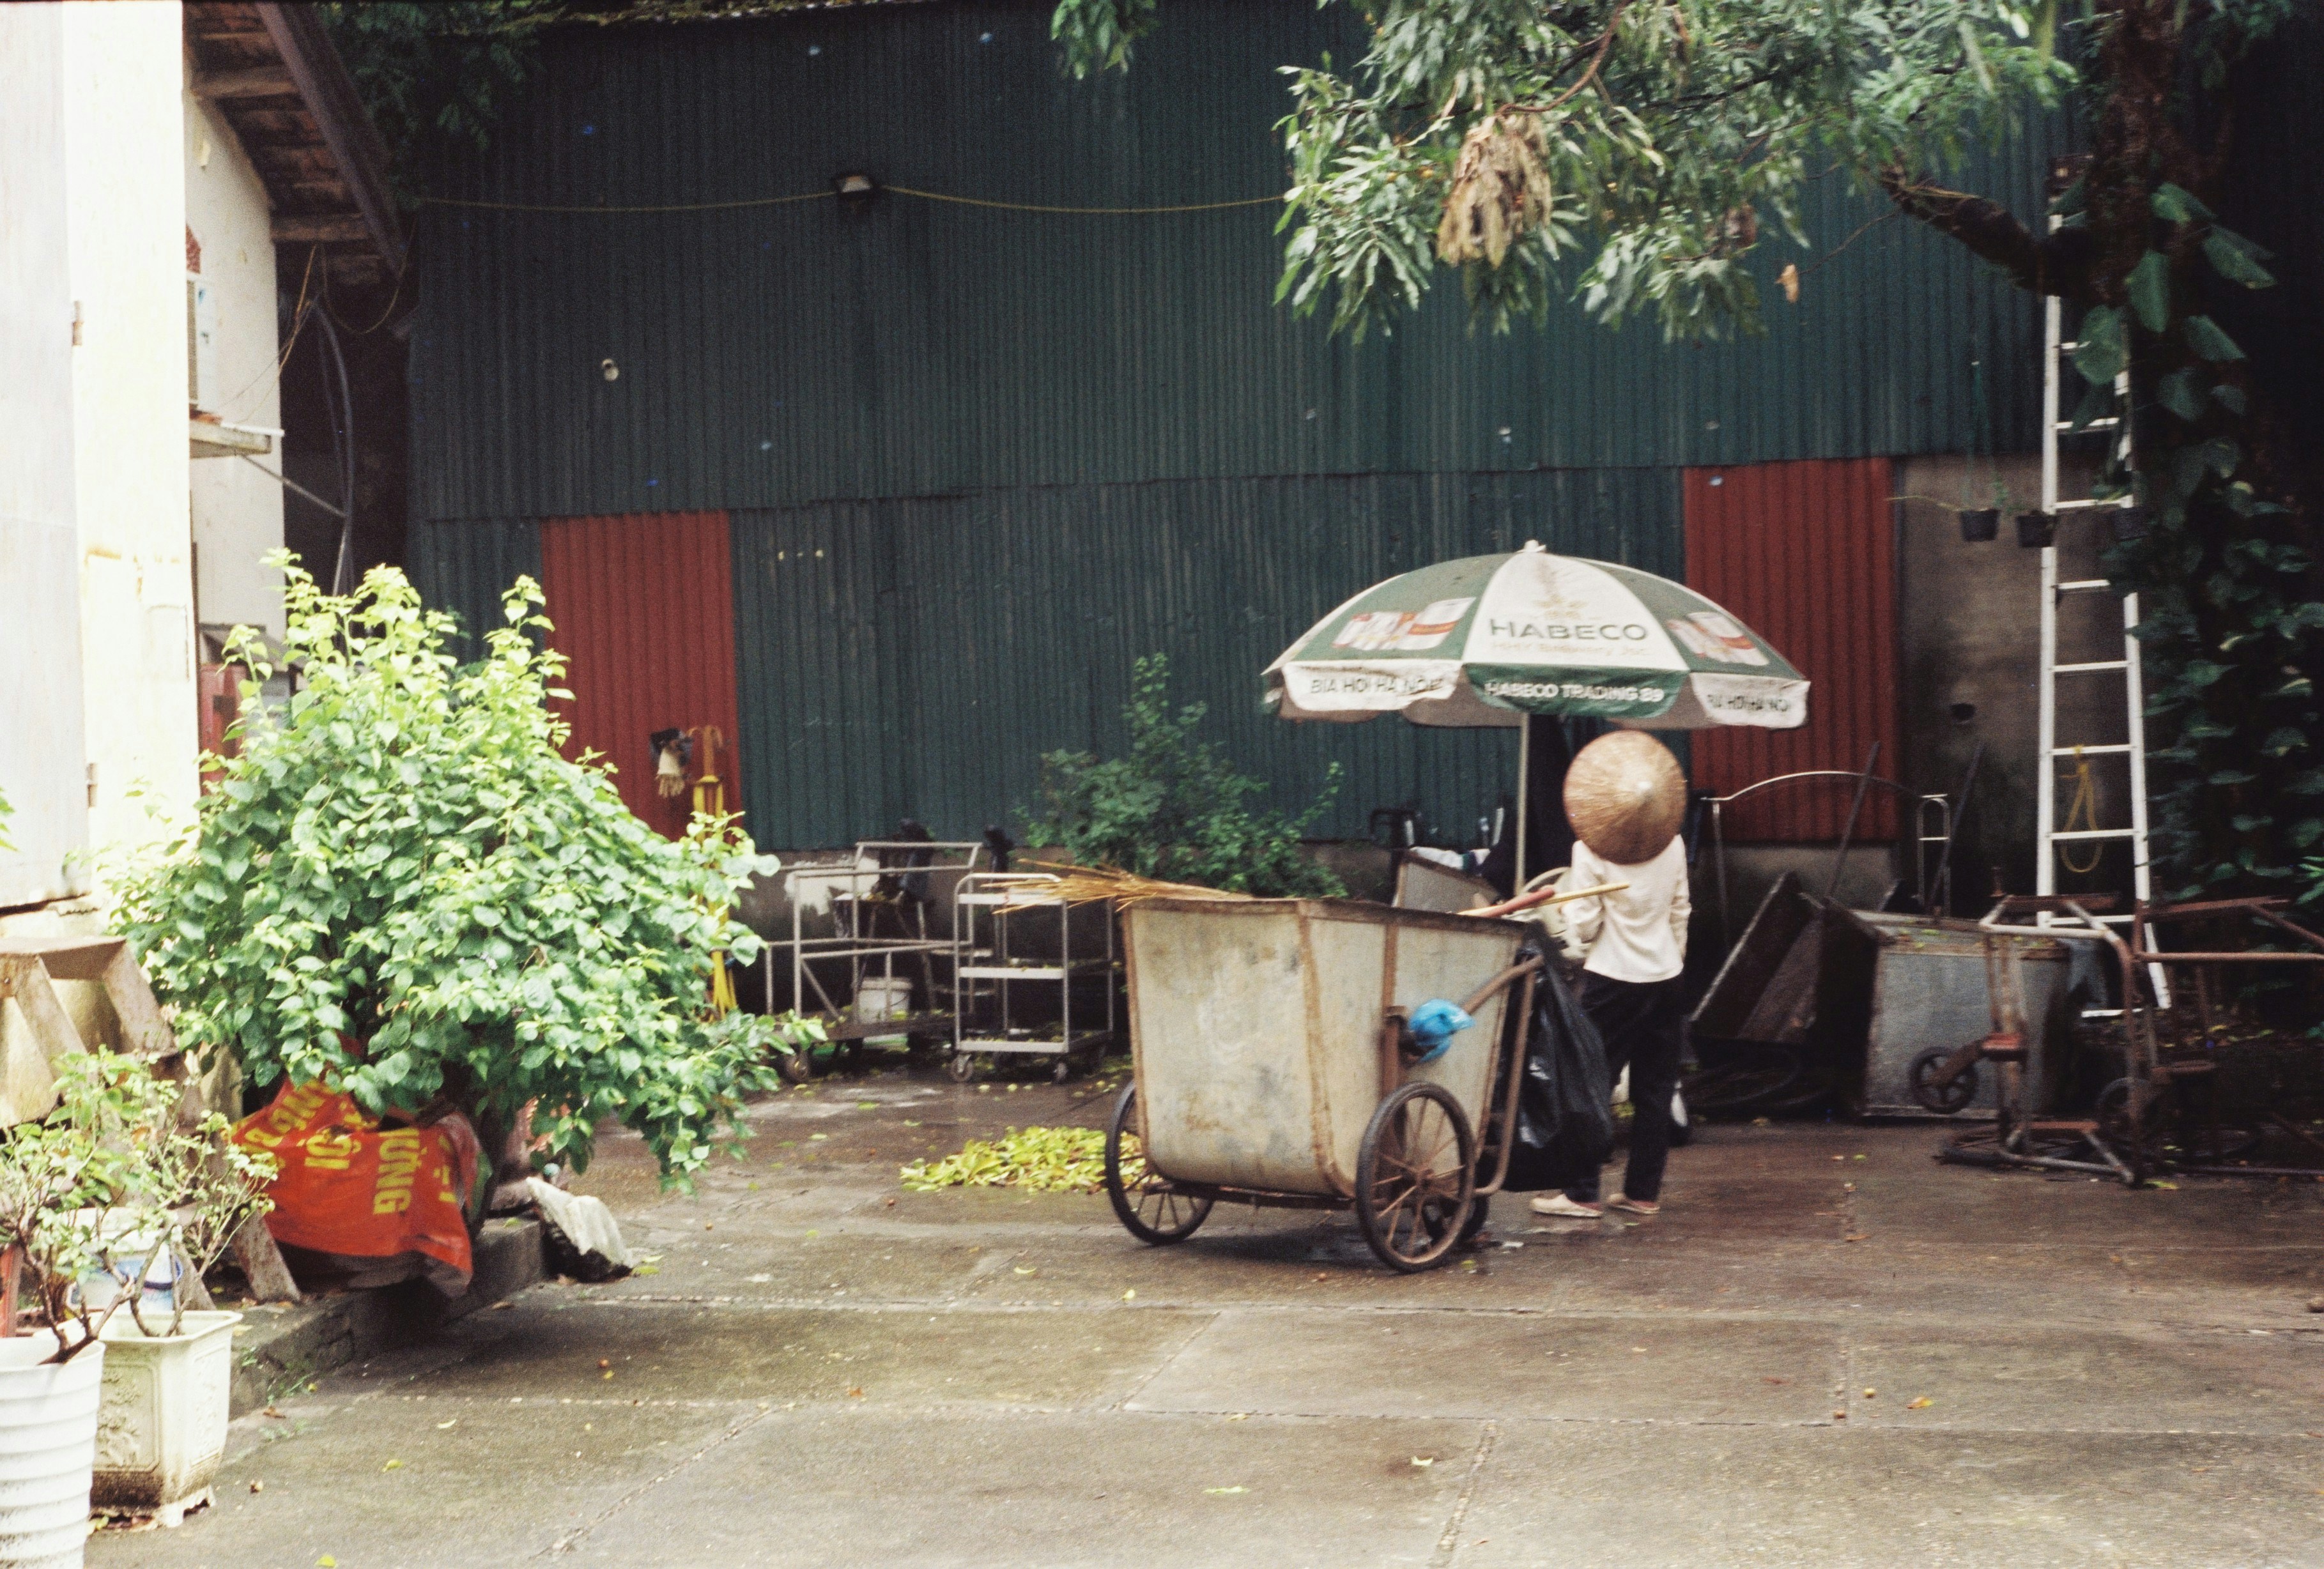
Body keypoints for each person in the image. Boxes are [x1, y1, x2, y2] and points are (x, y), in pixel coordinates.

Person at [1527, 830, 1689, 1218]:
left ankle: (1582, 1194)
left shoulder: (1591, 847)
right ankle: (1643, 1194)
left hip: (1613, 977)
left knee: (1589, 1083)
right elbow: (1680, 910)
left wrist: (1567, 915)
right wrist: (1671, 958)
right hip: (1667, 975)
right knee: (1655, 1089)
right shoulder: (1671, 841)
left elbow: (1585, 927)